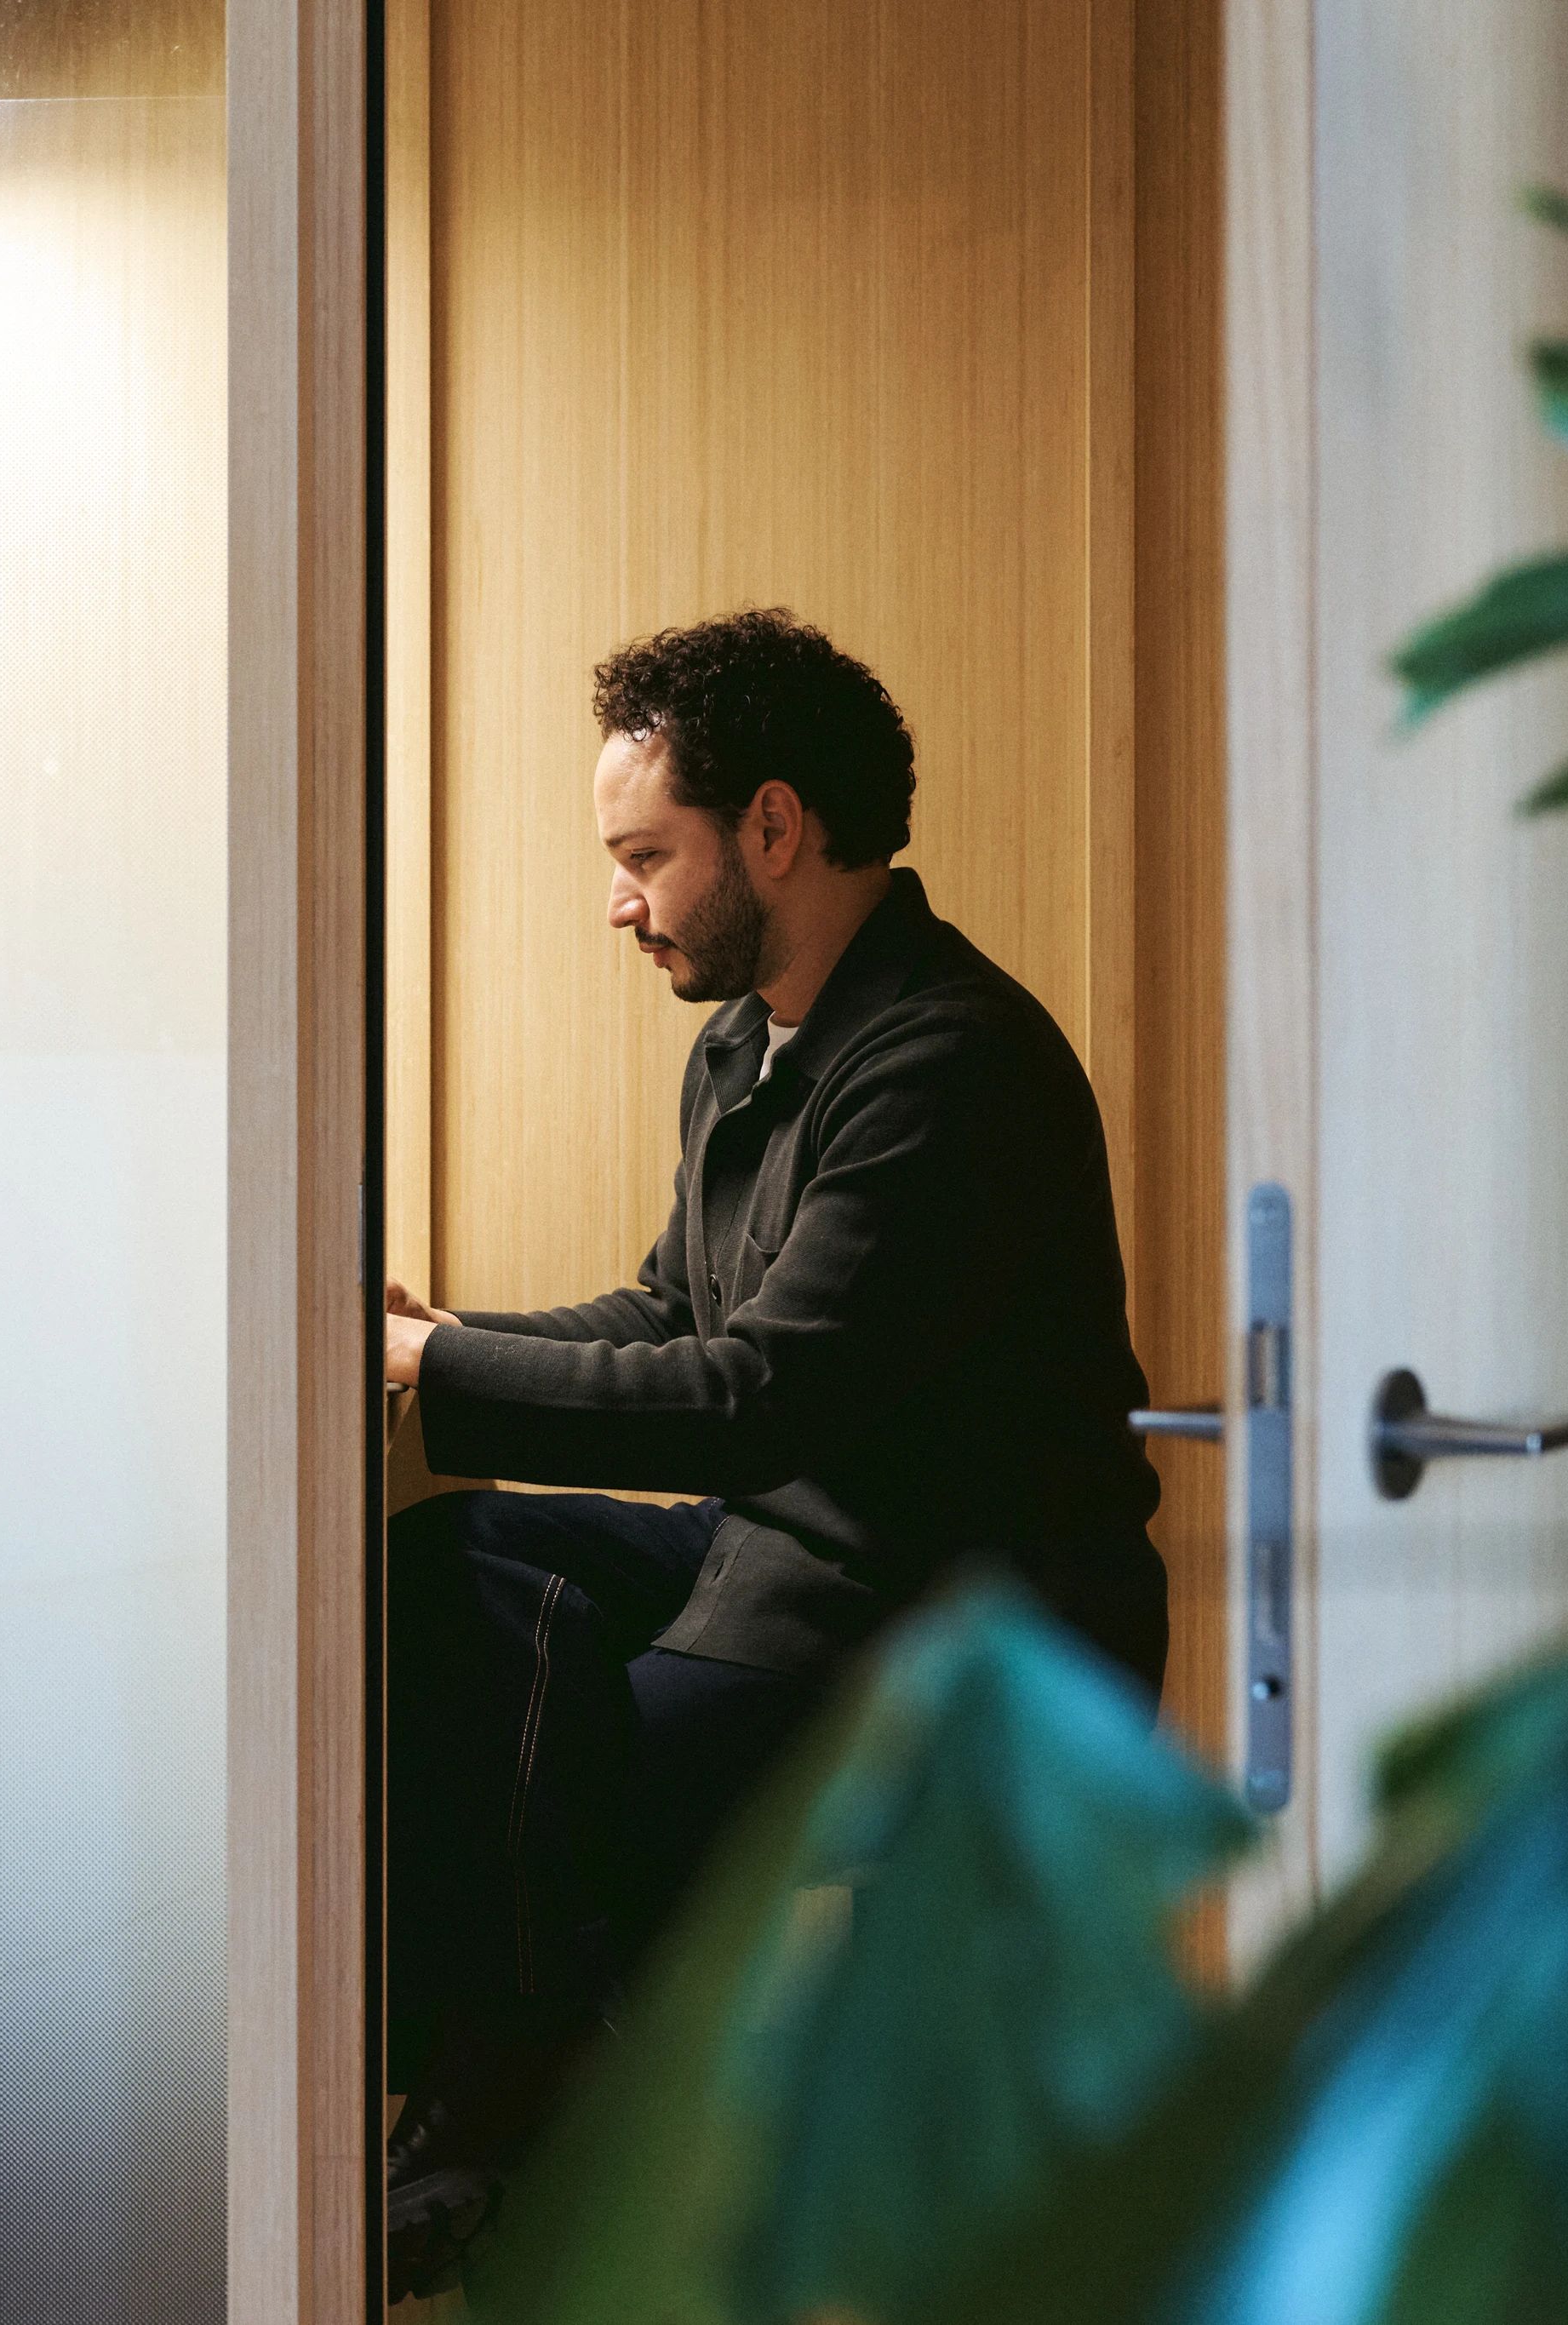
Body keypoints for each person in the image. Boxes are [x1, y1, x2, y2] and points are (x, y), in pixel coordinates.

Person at [379, 610, 1165, 2290]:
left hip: (948, 1611)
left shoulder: (942, 1059)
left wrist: (436, 1368)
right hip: (793, 1546)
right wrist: (434, 1346)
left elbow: (758, 1397)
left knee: (586, 1785)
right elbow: (671, 1311)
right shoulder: (744, 1047)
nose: (617, 900)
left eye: (642, 856)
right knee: (438, 1573)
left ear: (773, 829)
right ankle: (521, 2061)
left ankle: (539, 2103)